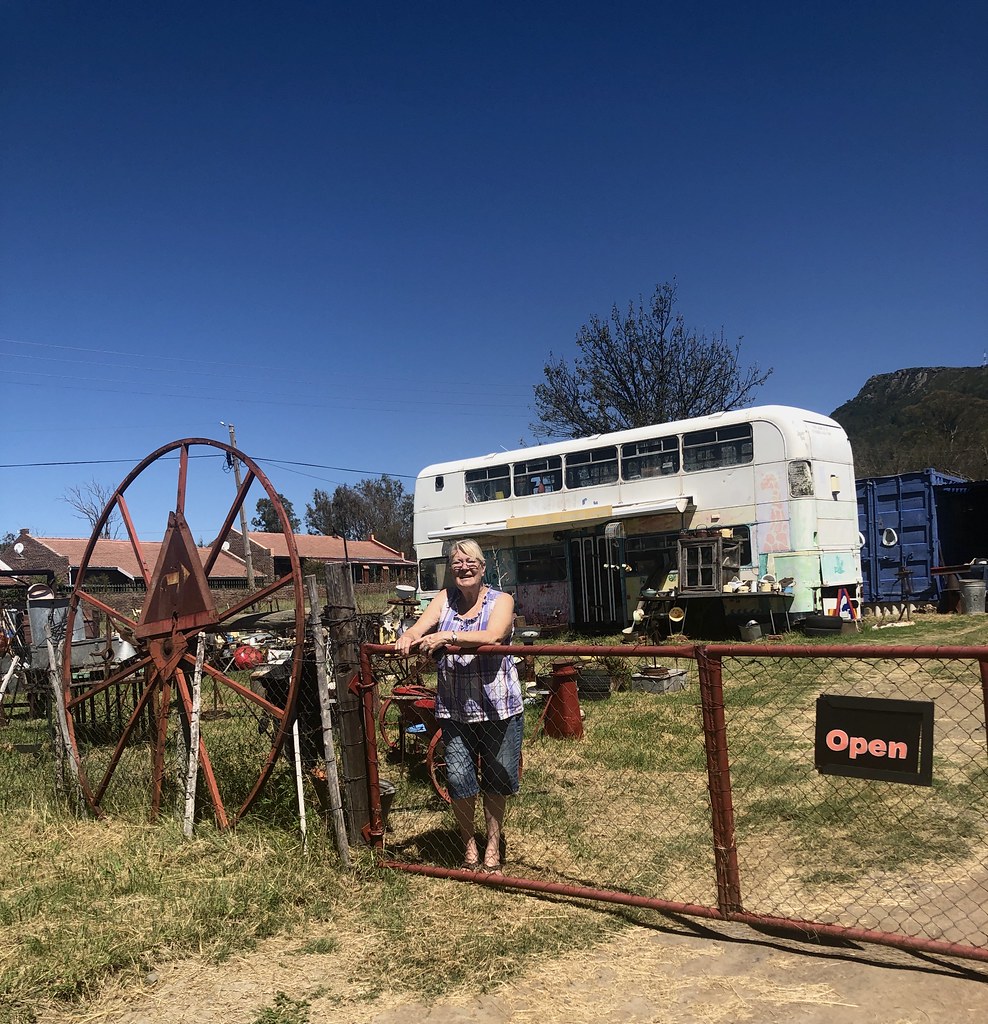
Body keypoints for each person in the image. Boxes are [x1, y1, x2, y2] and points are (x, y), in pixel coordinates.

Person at [395, 539, 523, 874]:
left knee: (497, 778)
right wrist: (409, 636)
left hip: (498, 706)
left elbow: (494, 636)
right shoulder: (444, 600)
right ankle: (469, 845)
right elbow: (422, 627)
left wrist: (447, 638)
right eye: (456, 563)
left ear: (482, 568)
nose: (463, 568)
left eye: (470, 562)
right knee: (459, 778)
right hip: (455, 707)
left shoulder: (502, 600)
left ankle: (492, 846)